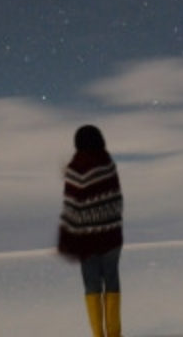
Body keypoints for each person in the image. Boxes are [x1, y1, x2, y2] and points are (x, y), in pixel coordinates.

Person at [57, 124, 123, 337]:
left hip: (87, 240)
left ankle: (98, 335)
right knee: (112, 282)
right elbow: (117, 200)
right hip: (112, 236)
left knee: (92, 285)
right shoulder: (108, 164)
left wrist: (68, 237)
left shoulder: (76, 170)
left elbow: (71, 208)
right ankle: (114, 334)